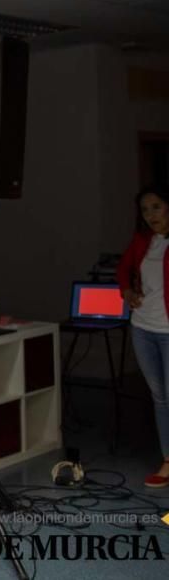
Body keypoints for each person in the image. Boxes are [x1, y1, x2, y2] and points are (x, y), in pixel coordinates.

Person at [117, 185, 169, 488]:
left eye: (156, 207)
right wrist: (127, 290)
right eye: (145, 209)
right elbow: (123, 269)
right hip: (143, 327)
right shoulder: (142, 241)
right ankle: (167, 460)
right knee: (160, 397)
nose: (150, 215)